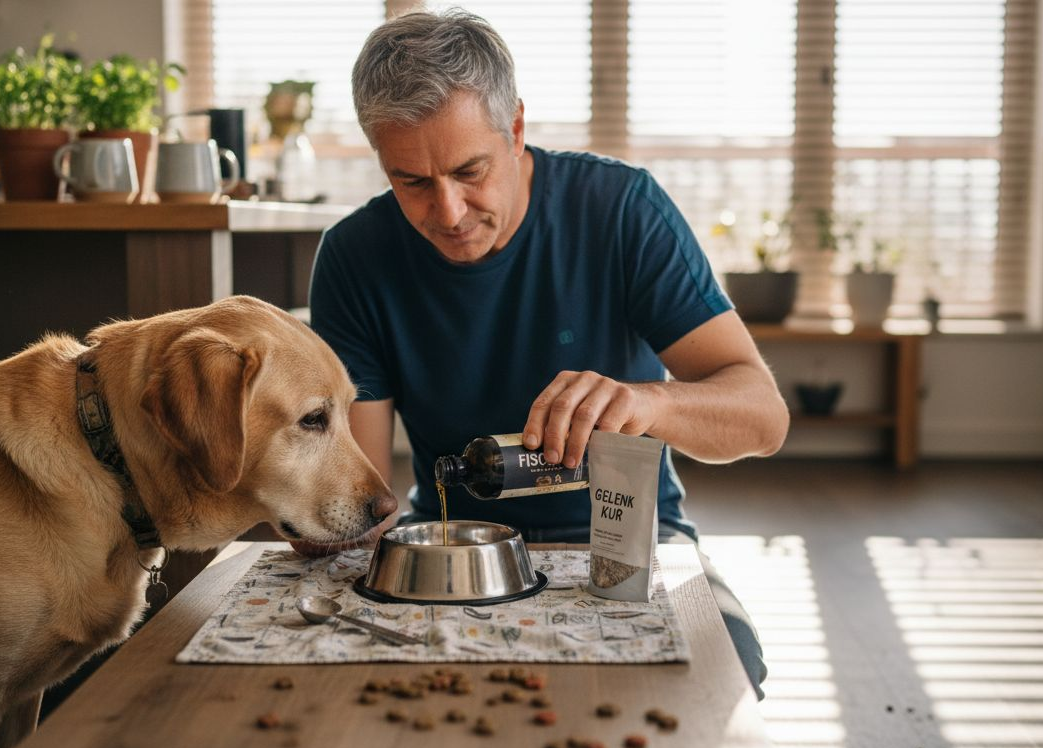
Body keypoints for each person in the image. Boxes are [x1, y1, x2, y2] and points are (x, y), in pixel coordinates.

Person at [307, 8, 789, 699]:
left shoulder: (621, 210)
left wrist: (648, 402)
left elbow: (764, 419)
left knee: (722, 677)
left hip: (632, 544)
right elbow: (364, 500)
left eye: (470, 170)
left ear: (516, 129)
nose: (449, 212)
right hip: (452, 549)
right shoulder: (354, 257)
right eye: (411, 182)